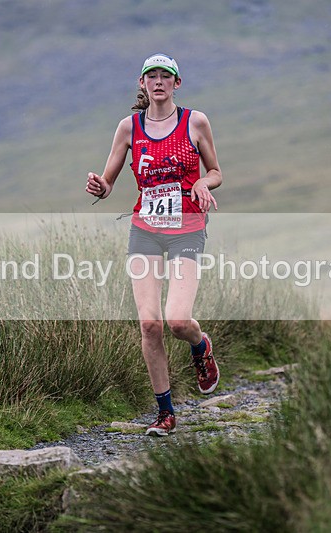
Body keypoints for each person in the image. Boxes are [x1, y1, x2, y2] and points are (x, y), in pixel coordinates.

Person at [85, 53, 222, 436]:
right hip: (145, 228)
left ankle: (200, 345)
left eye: (166, 76)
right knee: (150, 324)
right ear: (142, 84)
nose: (158, 82)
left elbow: (216, 172)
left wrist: (201, 183)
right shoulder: (129, 128)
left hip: (187, 226)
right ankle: (165, 413)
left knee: (177, 320)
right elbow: (109, 181)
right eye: (152, 76)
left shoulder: (195, 121)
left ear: (177, 83)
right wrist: (101, 186)